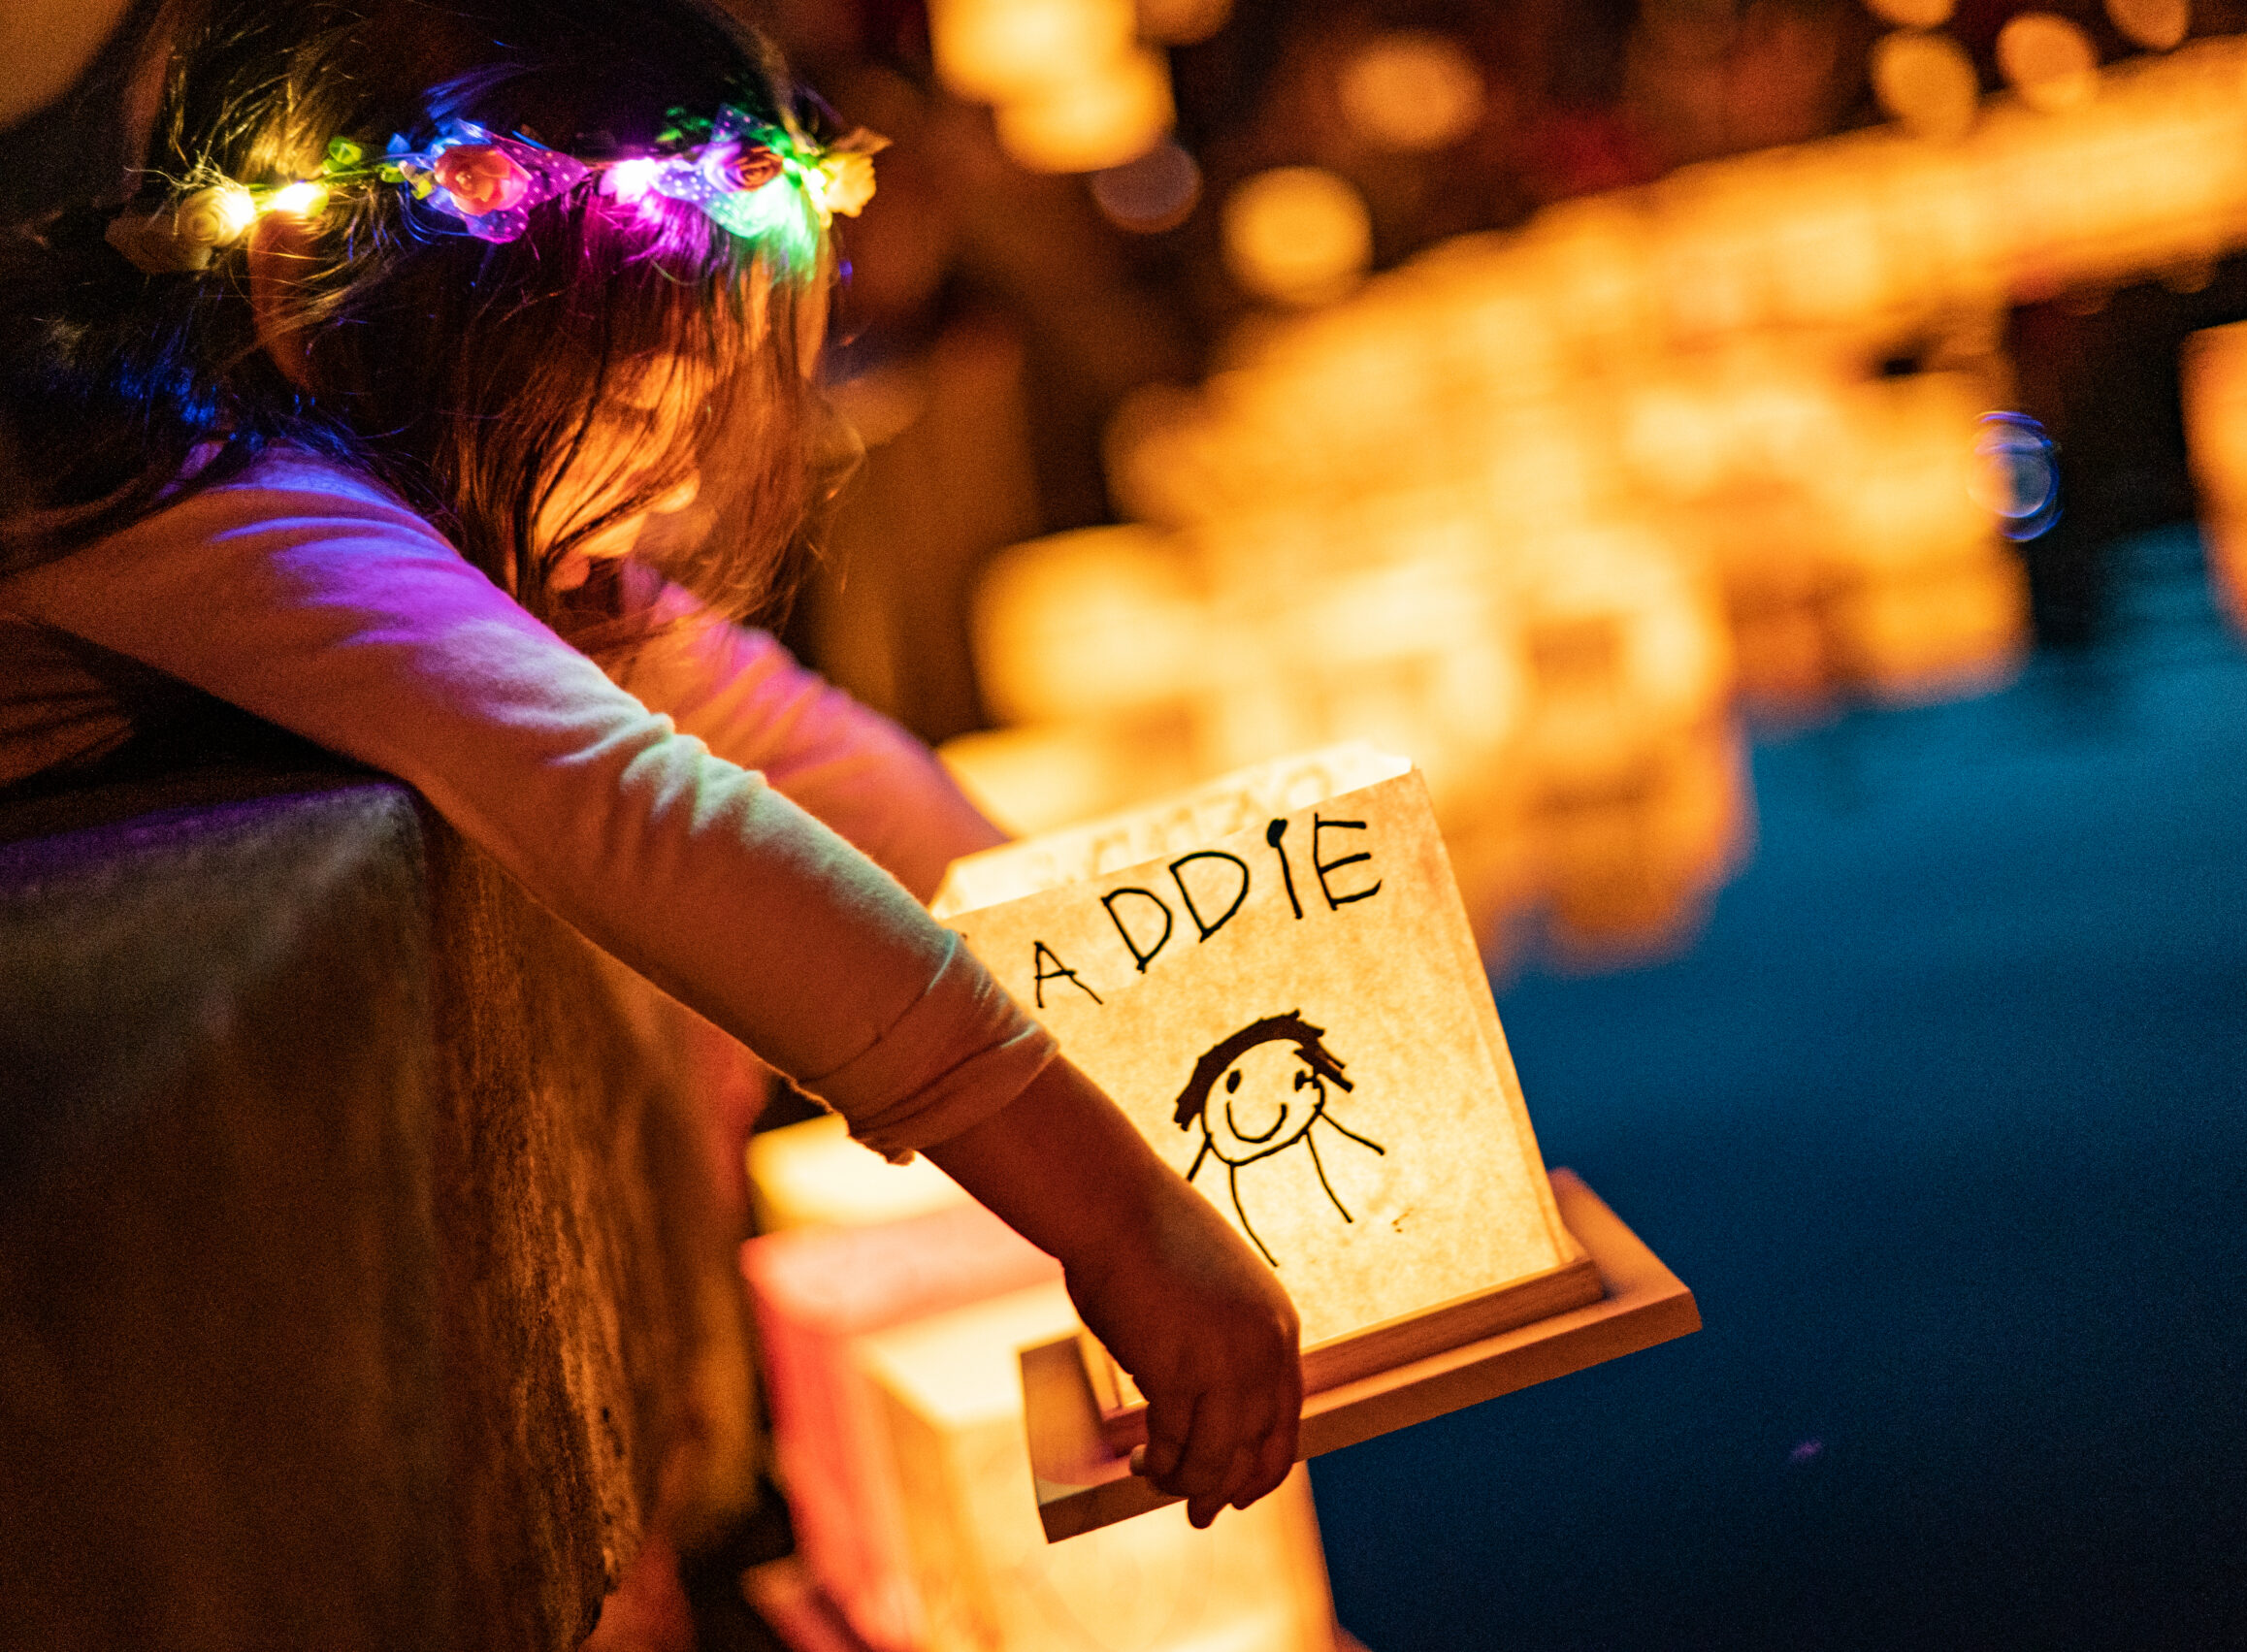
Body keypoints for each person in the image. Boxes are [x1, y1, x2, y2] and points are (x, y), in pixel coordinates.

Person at [0, 0, 1299, 1548]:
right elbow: (644, 808)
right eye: (625, 413)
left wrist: (1152, 1017)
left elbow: (795, 743)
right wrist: (1115, 1211)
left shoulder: (389, 450)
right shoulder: (213, 497)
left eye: (698, 417)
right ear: (313, 299)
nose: (678, 482)